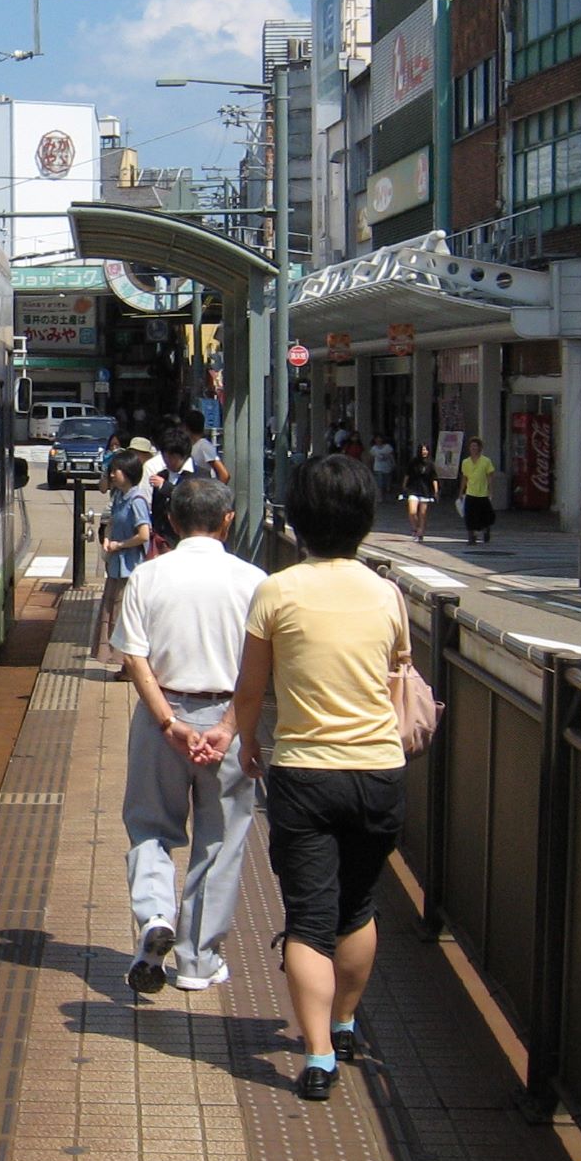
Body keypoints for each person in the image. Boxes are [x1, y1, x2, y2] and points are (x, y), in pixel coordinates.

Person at [204, 455, 407, 1102]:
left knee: (307, 919)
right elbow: (396, 673)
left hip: (304, 772)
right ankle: (346, 1023)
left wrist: (247, 744)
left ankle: (317, 1054)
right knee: (357, 905)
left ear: (297, 520)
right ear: (363, 522)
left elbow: (250, 689)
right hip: (377, 768)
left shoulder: (277, 591)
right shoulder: (386, 592)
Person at [117, 475, 268, 994]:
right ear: (228, 521)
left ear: (172, 522)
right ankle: (198, 961)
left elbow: (133, 655)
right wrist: (228, 727)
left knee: (149, 824)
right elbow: (260, 666)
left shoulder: (149, 576)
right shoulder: (254, 581)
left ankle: (155, 913)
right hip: (230, 719)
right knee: (220, 839)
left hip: (163, 718)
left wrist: (169, 723)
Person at [91, 453, 153, 668]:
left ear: (128, 473)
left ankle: (127, 662)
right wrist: (108, 538)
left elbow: (144, 534)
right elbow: (111, 523)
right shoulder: (118, 496)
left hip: (131, 566)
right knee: (113, 608)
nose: (112, 474)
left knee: (124, 612)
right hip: (117, 564)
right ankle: (119, 660)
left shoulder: (137, 500)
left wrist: (120, 544)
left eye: (116, 470)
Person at [458, 435, 497, 545]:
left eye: (476, 446)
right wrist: (461, 492)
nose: (473, 448)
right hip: (470, 493)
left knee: (485, 516)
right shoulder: (465, 462)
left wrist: (490, 490)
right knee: (470, 516)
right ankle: (472, 536)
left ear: (480, 448)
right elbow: (464, 477)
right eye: (472, 446)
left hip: (482, 494)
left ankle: (486, 530)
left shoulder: (486, 461)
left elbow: (490, 476)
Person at [183, 409, 230, 483]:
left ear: (186, 428)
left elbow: (224, 474)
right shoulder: (191, 446)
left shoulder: (204, 446)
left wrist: (215, 492)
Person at [403, 446, 437, 543]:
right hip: (413, 488)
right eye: (422, 450)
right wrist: (404, 486)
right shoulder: (413, 462)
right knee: (412, 511)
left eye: (426, 450)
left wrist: (436, 491)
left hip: (425, 490)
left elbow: (434, 478)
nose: (424, 452)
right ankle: (415, 528)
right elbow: (407, 475)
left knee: (422, 513)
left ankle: (420, 532)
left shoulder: (430, 464)